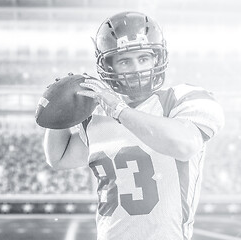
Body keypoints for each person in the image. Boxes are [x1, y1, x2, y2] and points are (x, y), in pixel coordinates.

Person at [43, 11, 225, 240]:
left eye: (143, 58)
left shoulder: (181, 99)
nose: (136, 68)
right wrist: (61, 111)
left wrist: (120, 111)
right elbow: (59, 158)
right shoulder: (97, 113)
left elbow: (184, 146)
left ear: (157, 58)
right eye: (124, 61)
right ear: (109, 66)